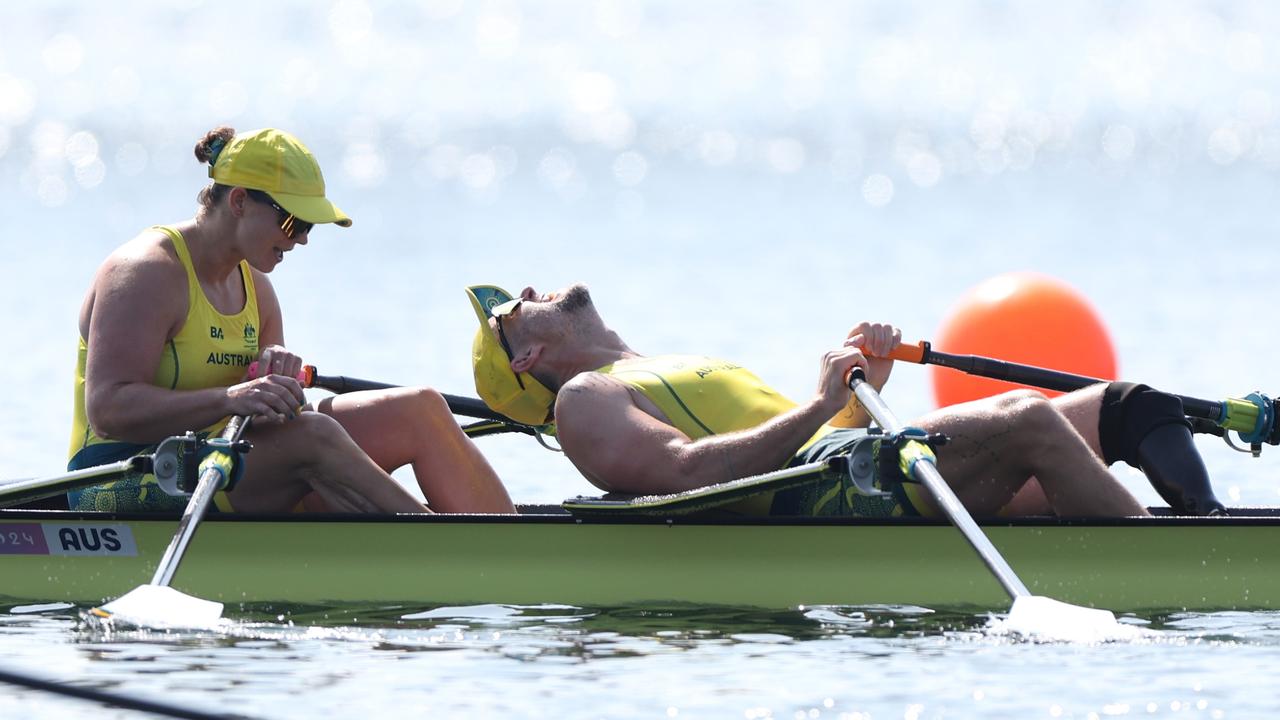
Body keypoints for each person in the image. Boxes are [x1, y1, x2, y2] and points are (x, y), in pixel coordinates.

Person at [466, 283, 1227, 518]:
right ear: (528, 358)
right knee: (1026, 417)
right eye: (512, 311)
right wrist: (820, 404)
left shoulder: (655, 366)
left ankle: (1213, 536)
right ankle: (1196, 579)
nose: (528, 293)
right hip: (820, 496)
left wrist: (862, 394)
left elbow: (808, 434)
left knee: (1133, 406)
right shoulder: (584, 402)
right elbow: (687, 474)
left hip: (845, 462)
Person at [67, 127, 514, 514]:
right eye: (292, 223)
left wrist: (279, 393)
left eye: (309, 227)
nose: (301, 239)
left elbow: (278, 422)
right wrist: (232, 398)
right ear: (239, 201)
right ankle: (448, 544)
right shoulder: (145, 273)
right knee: (314, 437)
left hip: (223, 459)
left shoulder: (257, 288)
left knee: (419, 409)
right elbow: (108, 410)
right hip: (119, 477)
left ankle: (513, 545)